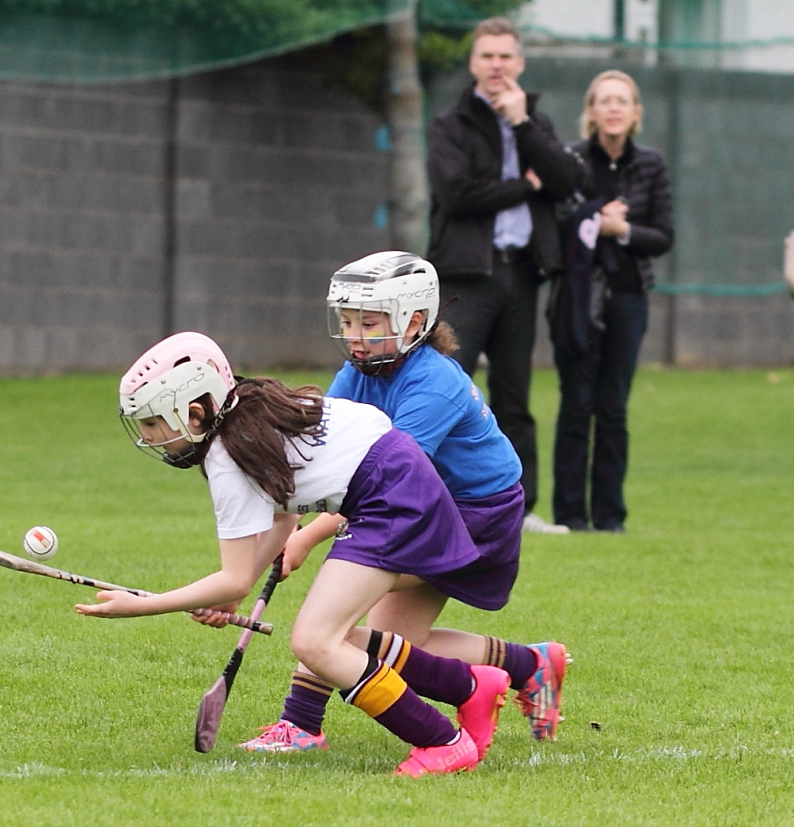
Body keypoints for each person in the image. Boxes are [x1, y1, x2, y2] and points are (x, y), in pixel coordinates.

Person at [76, 331, 510, 777]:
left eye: (152, 423)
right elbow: (284, 512)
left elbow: (234, 578)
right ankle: (472, 688)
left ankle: (443, 741)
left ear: (193, 411)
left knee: (315, 641)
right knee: (330, 635)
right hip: (392, 486)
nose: (148, 437)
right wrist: (237, 586)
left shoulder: (227, 456)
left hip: (392, 499)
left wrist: (143, 606)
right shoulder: (248, 409)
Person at [240, 251, 568, 754]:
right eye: (347, 321)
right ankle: (529, 665)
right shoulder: (362, 370)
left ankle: (301, 723)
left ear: (413, 321)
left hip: (474, 514)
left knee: (336, 617)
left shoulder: (434, 383)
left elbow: (386, 478)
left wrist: (306, 535)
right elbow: (329, 448)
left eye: (367, 322)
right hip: (418, 503)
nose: (353, 334)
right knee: (394, 649)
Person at [426, 16, 581, 534]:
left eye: (505, 56)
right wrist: (522, 186)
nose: (496, 65)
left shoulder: (535, 122)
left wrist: (522, 126)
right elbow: (457, 194)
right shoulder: (450, 123)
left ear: (519, 63)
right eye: (487, 56)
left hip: (523, 274)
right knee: (449, 385)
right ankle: (435, 500)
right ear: (473, 63)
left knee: (515, 396)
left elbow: (564, 180)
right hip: (467, 275)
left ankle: (519, 507)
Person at [550, 70, 674, 533]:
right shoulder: (571, 161)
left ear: (636, 112)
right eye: (604, 100)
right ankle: (569, 516)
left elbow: (664, 235)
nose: (614, 108)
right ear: (591, 112)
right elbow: (558, 221)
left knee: (614, 407)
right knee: (576, 404)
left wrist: (622, 230)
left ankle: (609, 517)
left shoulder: (651, 165)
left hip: (628, 299)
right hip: (576, 302)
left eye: (623, 100)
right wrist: (590, 220)